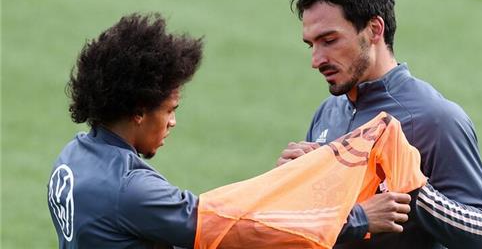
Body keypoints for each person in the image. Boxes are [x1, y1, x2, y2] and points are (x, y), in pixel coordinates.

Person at [47, 13, 375, 249]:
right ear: (139, 111)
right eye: (169, 110)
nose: (172, 121)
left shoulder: (72, 157)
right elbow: (234, 231)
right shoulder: (130, 189)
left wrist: (278, 182)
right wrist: (355, 219)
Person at [277, 0, 482, 248]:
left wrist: (417, 192)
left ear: (374, 29)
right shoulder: (327, 113)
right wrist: (292, 184)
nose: (316, 60)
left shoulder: (435, 119)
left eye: (329, 40)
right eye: (312, 45)